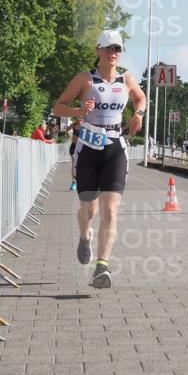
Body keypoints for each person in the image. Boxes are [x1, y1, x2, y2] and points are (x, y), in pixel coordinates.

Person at [52, 30, 145, 288]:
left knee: (110, 210)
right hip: (88, 150)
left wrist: (138, 113)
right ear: (98, 50)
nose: (112, 53)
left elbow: (140, 97)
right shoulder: (85, 79)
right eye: (108, 48)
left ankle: (102, 266)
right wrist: (78, 110)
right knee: (89, 210)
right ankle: (85, 237)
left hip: (115, 148)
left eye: (117, 49)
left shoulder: (126, 79)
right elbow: (58, 107)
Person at [67, 118, 82, 191]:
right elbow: (67, 129)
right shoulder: (74, 125)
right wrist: (69, 132)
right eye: (79, 116)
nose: (80, 118)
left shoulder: (85, 125)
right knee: (74, 164)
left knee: (82, 165)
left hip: (81, 147)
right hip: (73, 146)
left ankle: (81, 181)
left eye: (81, 117)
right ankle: (74, 182)